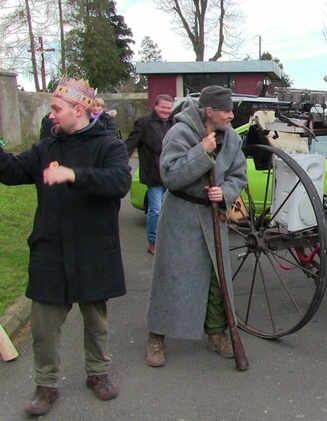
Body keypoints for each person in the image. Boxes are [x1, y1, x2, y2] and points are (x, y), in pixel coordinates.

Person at [0, 77, 131, 416]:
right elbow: (12, 172)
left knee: (96, 322)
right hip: (50, 250)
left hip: (92, 249)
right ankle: (45, 385)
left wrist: (74, 175)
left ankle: (97, 374)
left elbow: (119, 182)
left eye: (56, 109)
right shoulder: (46, 148)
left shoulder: (108, 147)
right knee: (43, 327)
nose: (51, 115)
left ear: (78, 109)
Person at [145, 85, 248, 367]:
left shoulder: (232, 139)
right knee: (171, 277)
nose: (231, 115)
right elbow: (170, 176)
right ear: (209, 112)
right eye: (226, 110)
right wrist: (201, 152)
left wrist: (225, 192)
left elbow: (239, 175)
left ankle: (216, 333)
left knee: (217, 278)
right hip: (181, 215)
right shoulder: (180, 133)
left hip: (213, 216)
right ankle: (156, 337)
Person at [124, 94, 175, 255]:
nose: (166, 111)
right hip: (153, 175)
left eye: (169, 107)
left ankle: (168, 241)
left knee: (171, 211)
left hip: (172, 176)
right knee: (156, 210)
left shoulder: (174, 124)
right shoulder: (144, 123)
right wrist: (121, 163)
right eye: (163, 107)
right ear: (155, 106)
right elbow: (130, 144)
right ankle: (153, 242)